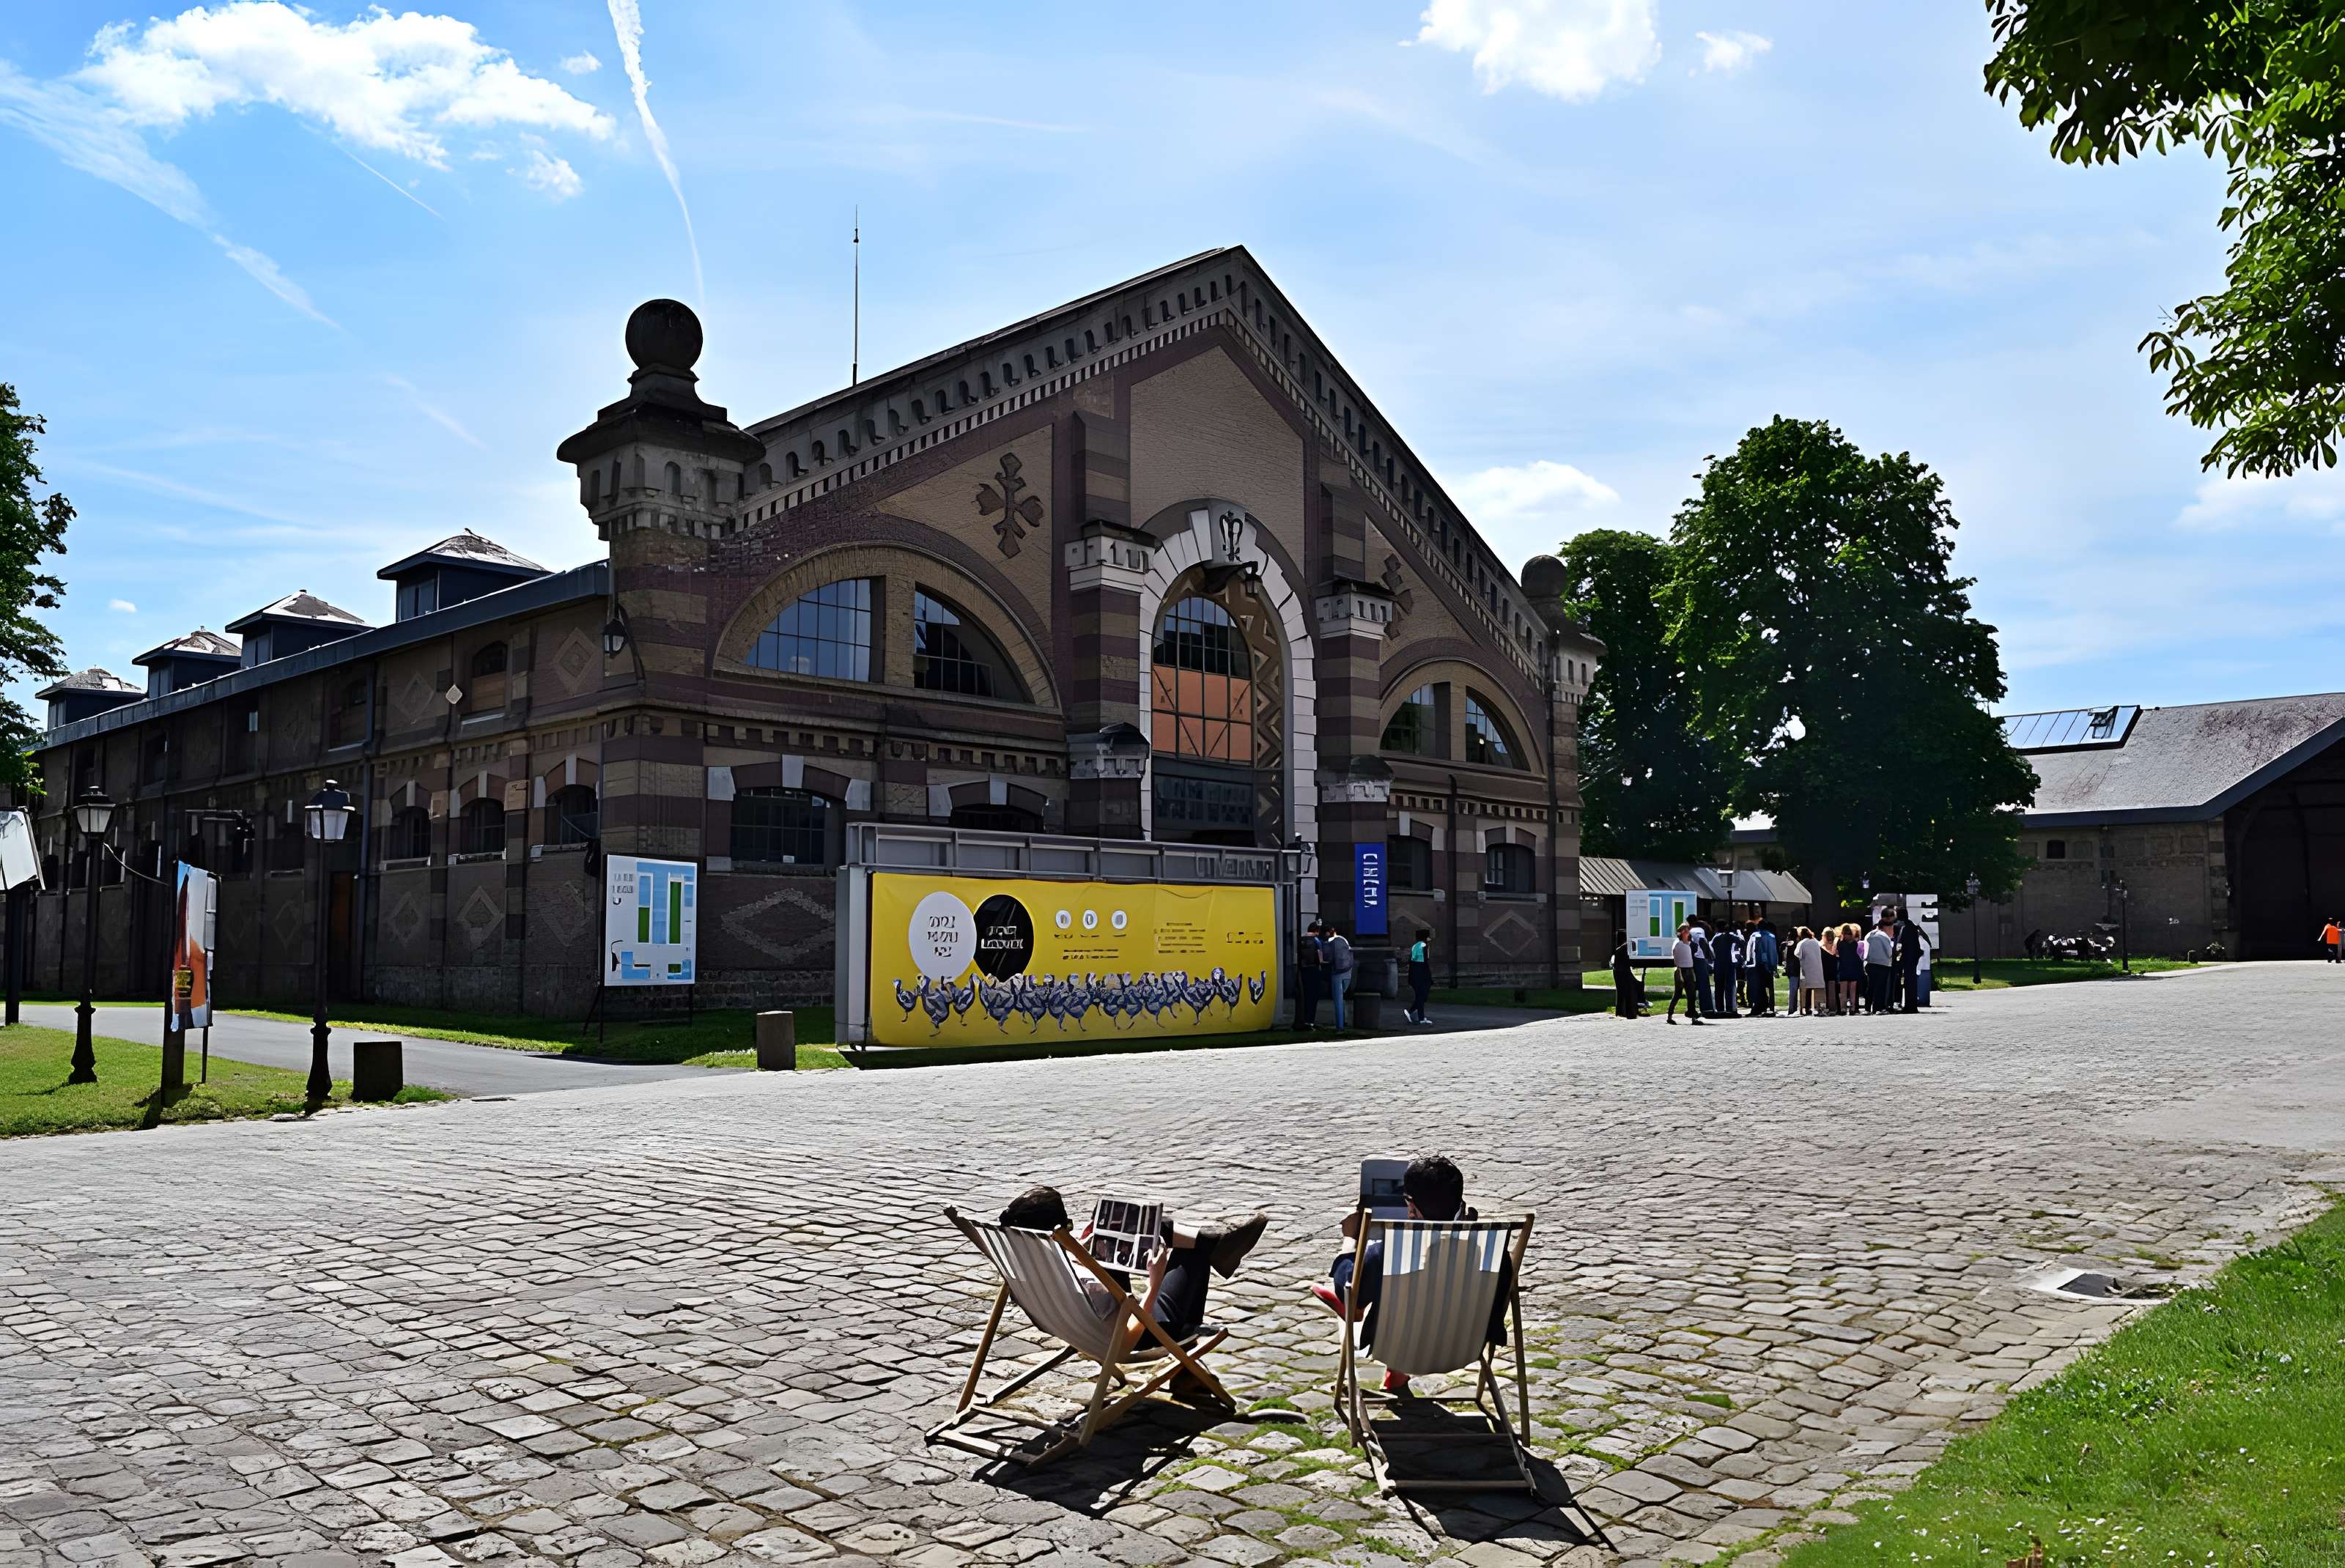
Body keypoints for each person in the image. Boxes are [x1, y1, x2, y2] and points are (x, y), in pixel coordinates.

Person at [998, 1185, 1267, 1399]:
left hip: (1078, 1323)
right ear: (1056, 1234)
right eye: (1068, 1225)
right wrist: (1154, 1282)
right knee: (1193, 1256)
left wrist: (1081, 1251)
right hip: (1142, 1333)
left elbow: (1081, 1284)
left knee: (1114, 1223)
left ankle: (1216, 1241)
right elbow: (1125, 1341)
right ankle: (1215, 1247)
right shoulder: (1085, 1283)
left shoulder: (1025, 1264)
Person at [1311, 1153, 1512, 1394]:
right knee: (1426, 1284)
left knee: (1371, 1291)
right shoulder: (1495, 1254)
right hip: (1465, 1349)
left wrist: (1351, 1239)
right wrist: (1467, 1241)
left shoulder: (1390, 1250)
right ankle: (1395, 1377)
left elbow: (1348, 1289)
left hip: (1397, 1350)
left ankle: (1388, 1363)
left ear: (1412, 1205)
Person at [1666, 923, 1706, 1024]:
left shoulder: (1688, 943)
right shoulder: (1678, 944)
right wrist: (1679, 973)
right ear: (1681, 932)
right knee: (1678, 994)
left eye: (1687, 930)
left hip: (1689, 970)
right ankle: (1670, 1016)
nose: (1687, 932)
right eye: (1685, 931)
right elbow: (1676, 961)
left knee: (1691, 995)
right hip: (1682, 971)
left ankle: (1693, 1017)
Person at [1324, 923, 1356, 1029]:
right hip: (1347, 972)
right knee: (1342, 998)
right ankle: (1345, 1020)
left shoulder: (1330, 943)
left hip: (1336, 973)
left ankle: (1340, 1026)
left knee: (1338, 1000)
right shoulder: (1344, 940)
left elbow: (1328, 958)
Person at [1895, 908, 1926, 1012]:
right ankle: (1911, 1005)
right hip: (1913, 958)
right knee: (1911, 982)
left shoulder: (1902, 927)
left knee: (1903, 981)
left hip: (1905, 958)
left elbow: (1899, 944)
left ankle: (1907, 1005)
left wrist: (1897, 956)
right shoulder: (1912, 926)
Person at [1746, 917, 1779, 1015]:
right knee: (1769, 986)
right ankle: (1769, 1006)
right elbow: (1772, 952)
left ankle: (1757, 1006)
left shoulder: (1753, 936)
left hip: (1755, 965)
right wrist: (1774, 967)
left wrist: (1748, 963)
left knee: (1756, 987)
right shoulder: (1771, 937)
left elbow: (1749, 950)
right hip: (1767, 966)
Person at [1863, 917, 1895, 1015]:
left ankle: (1867, 1008)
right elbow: (1889, 952)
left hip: (1870, 963)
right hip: (1883, 964)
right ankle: (1878, 1008)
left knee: (1871, 986)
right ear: (1887, 928)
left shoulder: (1869, 935)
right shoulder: (1884, 936)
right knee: (1881, 987)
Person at [1296, 921, 1326, 1027]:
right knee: (1313, 997)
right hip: (1314, 970)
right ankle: (1310, 1021)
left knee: (1305, 996)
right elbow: (1320, 957)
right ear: (1316, 930)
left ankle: (1303, 1020)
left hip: (1303, 971)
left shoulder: (1301, 939)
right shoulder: (1316, 940)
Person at [1709, 919, 1740, 1018]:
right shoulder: (1732, 937)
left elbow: (1710, 949)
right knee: (1729, 986)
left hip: (1718, 963)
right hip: (1729, 963)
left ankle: (1720, 1008)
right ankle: (1730, 1008)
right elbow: (1741, 942)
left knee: (1719, 987)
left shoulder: (1716, 938)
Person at [1794, 925, 1826, 1016]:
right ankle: (1818, 1007)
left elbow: (1797, 954)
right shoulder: (1816, 942)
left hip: (1807, 968)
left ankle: (1806, 1008)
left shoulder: (1802, 943)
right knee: (1817, 988)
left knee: (1807, 989)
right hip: (1818, 968)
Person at [1610, 934, 1645, 1018]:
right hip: (1624, 971)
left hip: (1618, 971)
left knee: (1621, 992)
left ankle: (1621, 1012)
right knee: (1630, 992)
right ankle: (1631, 1013)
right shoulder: (1628, 948)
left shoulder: (1620, 949)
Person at [1405, 928, 1434, 1025]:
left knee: (1420, 996)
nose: (1429, 938)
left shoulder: (1415, 946)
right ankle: (1416, 1015)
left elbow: (1412, 960)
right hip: (1421, 971)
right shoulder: (1423, 945)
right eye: (1428, 936)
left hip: (1415, 971)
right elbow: (1425, 960)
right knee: (1422, 995)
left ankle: (1418, 1015)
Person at [1836, 922, 1864, 1016]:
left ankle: (1843, 1009)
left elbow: (1838, 954)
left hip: (1843, 968)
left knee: (1843, 991)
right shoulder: (1855, 944)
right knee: (1853, 991)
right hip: (1853, 968)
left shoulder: (1840, 944)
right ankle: (1853, 1008)